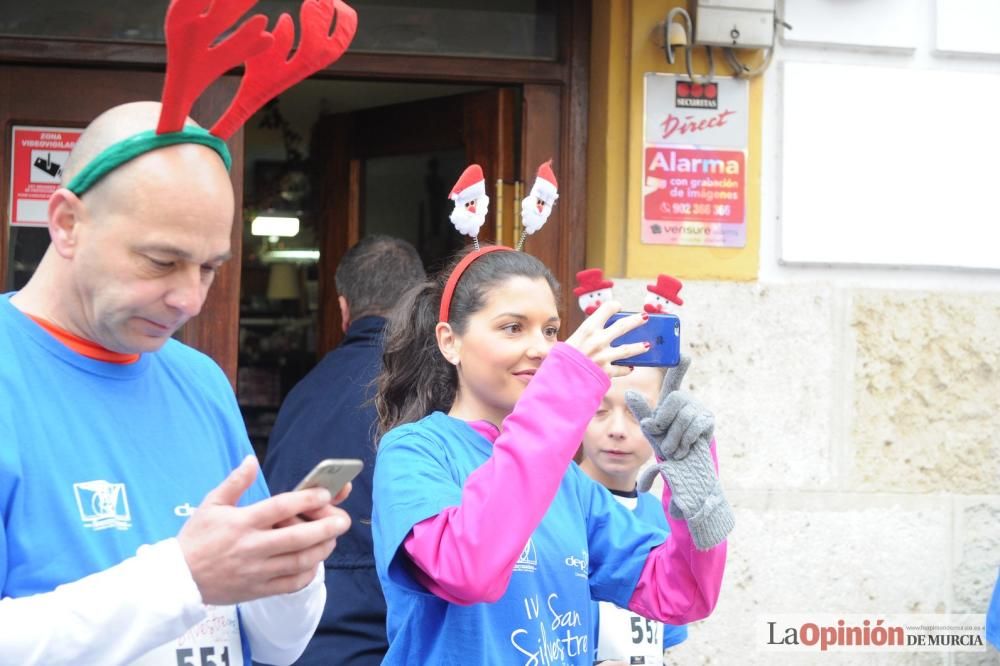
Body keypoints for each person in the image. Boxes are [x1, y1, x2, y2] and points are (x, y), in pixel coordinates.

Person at [0, 101, 351, 665]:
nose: (189, 299)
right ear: (67, 224)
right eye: (161, 261)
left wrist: (290, 570)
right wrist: (183, 578)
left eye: (209, 267)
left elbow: (275, 647)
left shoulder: (199, 379)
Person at [371, 246, 735, 664]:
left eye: (550, 331)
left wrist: (695, 501)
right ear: (449, 342)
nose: (541, 349)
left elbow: (678, 593)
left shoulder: (568, 480)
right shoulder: (415, 451)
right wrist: (563, 390)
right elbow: (468, 570)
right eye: (512, 328)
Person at [263, 234, 425, 665]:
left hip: (295, 637)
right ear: (421, 310)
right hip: (391, 641)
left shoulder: (302, 395)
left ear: (342, 309)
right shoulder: (432, 392)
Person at [578, 366, 688, 665]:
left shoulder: (663, 516)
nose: (617, 429)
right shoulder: (551, 509)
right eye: (599, 409)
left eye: (637, 411)